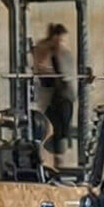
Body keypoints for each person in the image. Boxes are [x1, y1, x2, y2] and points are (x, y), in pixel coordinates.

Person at [32, 23, 74, 158]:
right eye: (59, 39)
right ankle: (53, 149)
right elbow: (40, 67)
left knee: (64, 120)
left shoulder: (61, 52)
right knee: (56, 123)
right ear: (54, 37)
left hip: (61, 93)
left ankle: (61, 145)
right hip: (48, 92)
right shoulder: (43, 48)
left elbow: (65, 72)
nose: (60, 43)